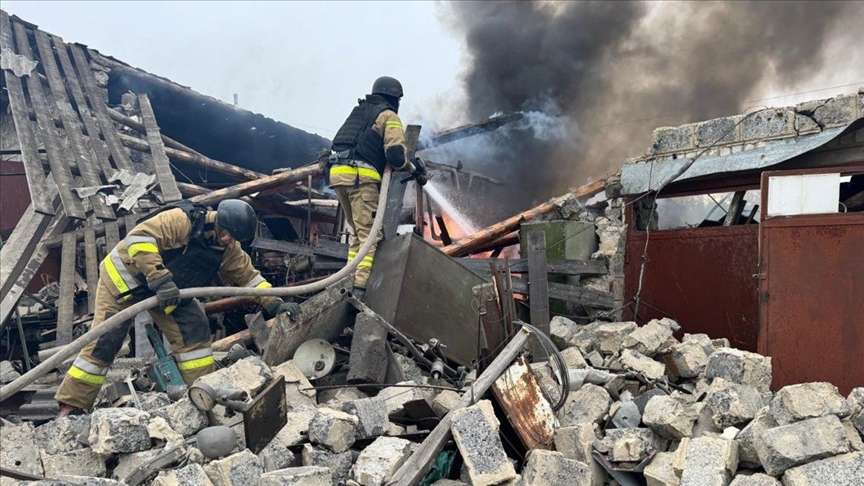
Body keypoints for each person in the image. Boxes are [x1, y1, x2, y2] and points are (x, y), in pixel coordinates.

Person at [54, 199, 299, 416]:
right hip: (124, 281)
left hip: (169, 292)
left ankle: (203, 396)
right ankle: (72, 405)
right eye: (226, 233)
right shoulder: (181, 221)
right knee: (106, 340)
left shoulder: (229, 250)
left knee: (194, 330)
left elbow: (250, 279)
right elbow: (139, 240)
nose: (228, 240)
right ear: (218, 222)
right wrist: (160, 279)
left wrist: (275, 303)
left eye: (235, 238)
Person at [328, 76, 428, 297]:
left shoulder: (359, 112)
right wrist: (410, 166)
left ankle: (348, 280)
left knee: (358, 234)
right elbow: (395, 155)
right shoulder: (388, 116)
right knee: (371, 236)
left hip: (338, 176)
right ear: (394, 98)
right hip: (360, 178)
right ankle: (360, 289)